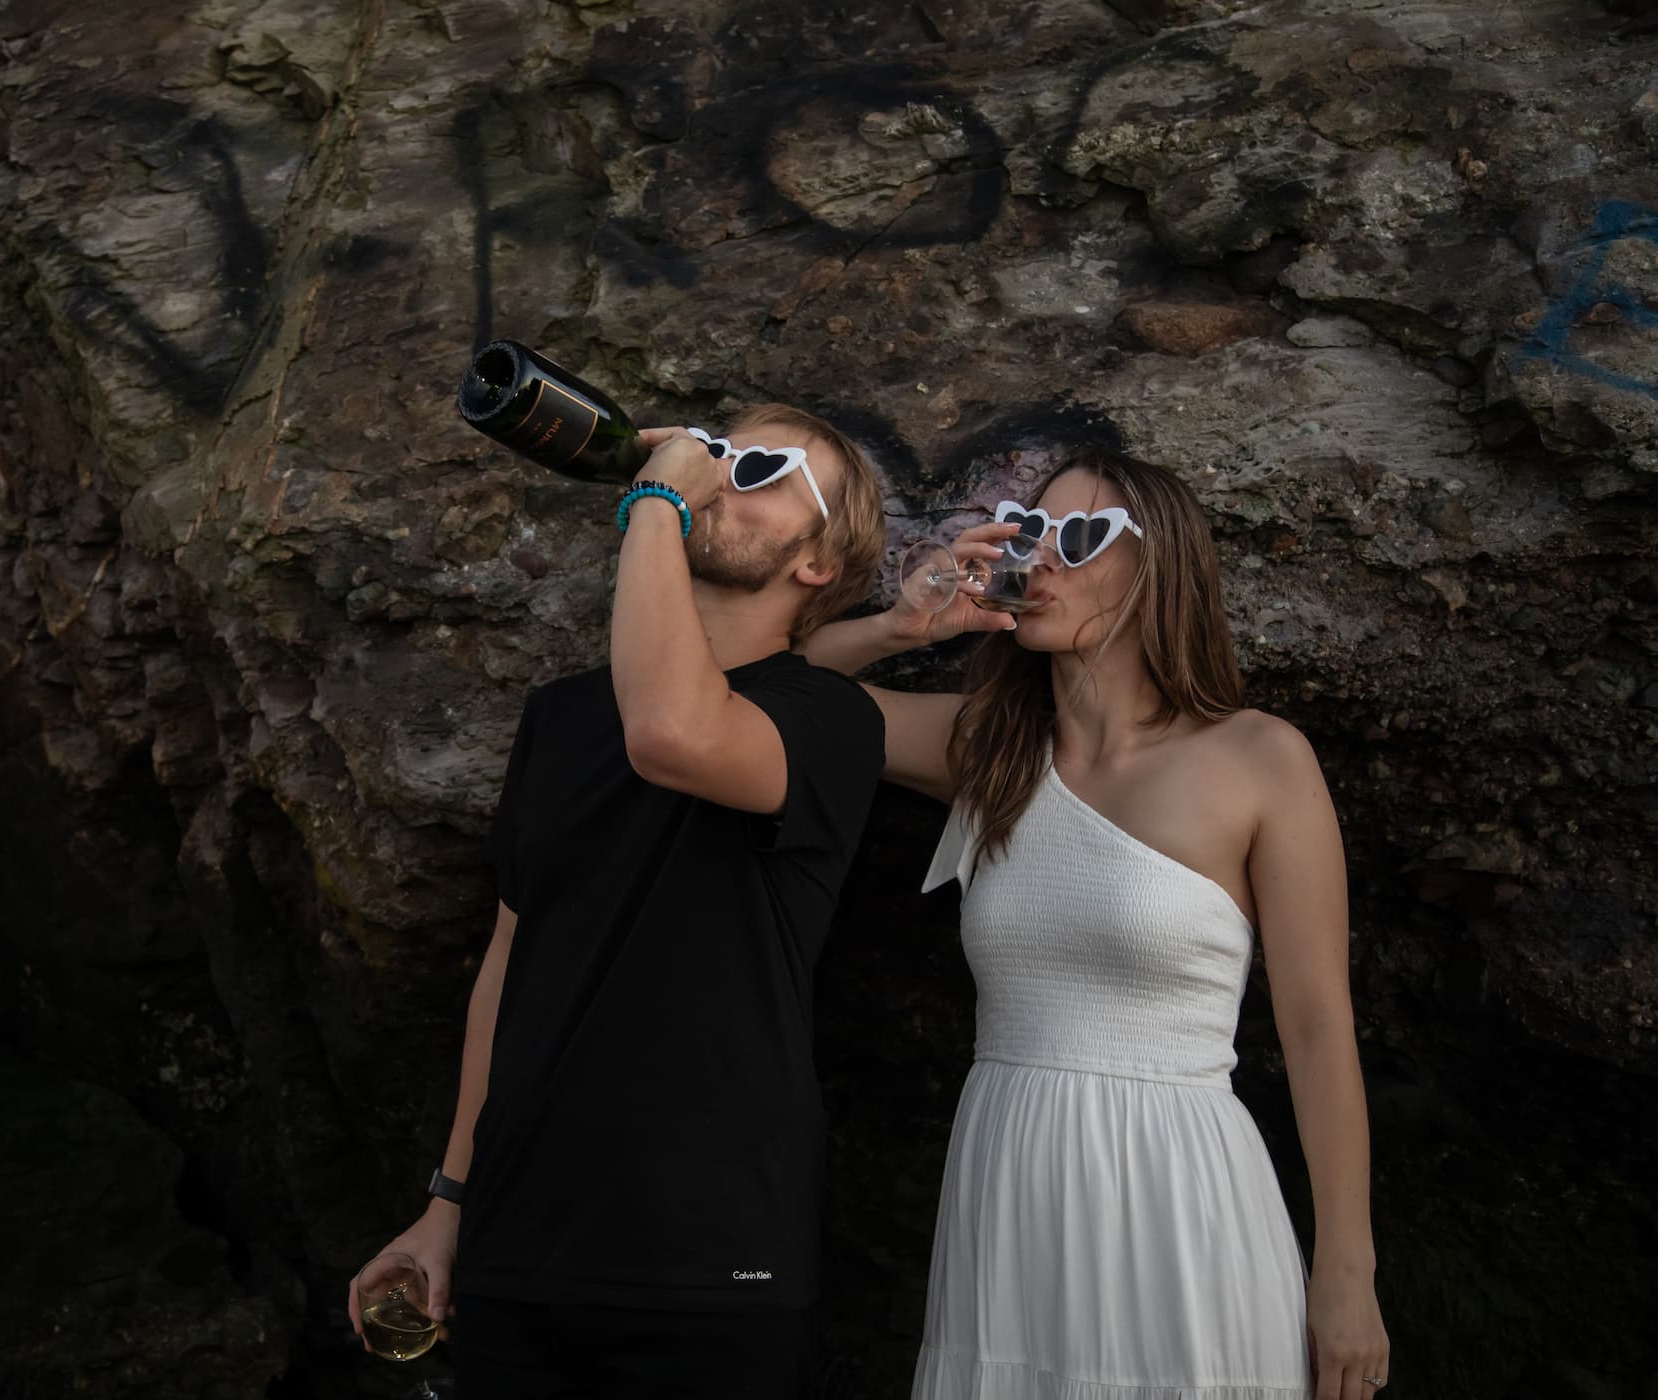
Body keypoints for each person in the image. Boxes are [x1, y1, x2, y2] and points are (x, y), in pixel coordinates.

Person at [348, 405, 1005, 1397]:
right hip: (522, 1240)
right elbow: (506, 967)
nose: (727, 470)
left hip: (710, 1252)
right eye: (723, 448)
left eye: (770, 468)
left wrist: (657, 499)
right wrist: (448, 1200)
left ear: (817, 563)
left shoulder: (832, 721)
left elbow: (676, 730)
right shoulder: (560, 718)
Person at [801, 449, 1391, 1400]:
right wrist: (899, 626)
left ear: (1158, 566)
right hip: (1010, 1184)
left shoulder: (1259, 759)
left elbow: (1321, 1031)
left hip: (1179, 1194)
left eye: (1079, 538)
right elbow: (780, 695)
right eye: (1031, 534)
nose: (1042, 562)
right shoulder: (985, 749)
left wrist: (1348, 1275)